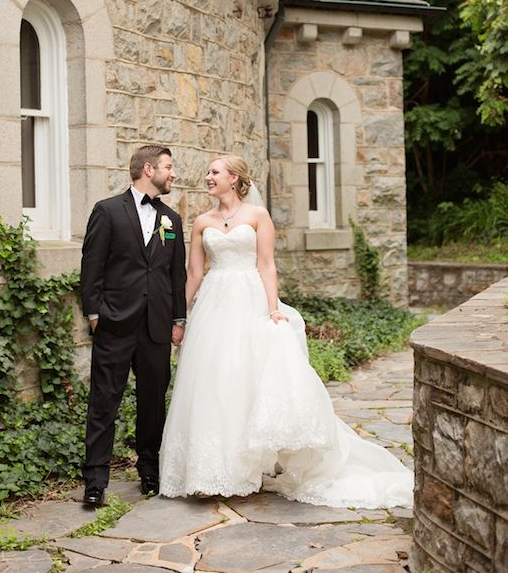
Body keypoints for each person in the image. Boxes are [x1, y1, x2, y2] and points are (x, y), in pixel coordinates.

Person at [159, 155, 413, 508]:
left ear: (234, 178)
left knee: (243, 380)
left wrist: (273, 309)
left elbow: (266, 264)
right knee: (211, 381)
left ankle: (246, 467)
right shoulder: (202, 221)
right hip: (213, 307)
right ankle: (208, 470)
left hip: (248, 301)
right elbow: (194, 274)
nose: (207, 177)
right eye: (208, 172)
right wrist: (179, 316)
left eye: (214, 172)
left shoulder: (258, 217)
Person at [81, 145, 186, 505]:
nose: (173, 173)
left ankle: (150, 470)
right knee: (103, 401)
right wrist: (94, 314)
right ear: (148, 169)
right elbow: (91, 266)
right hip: (115, 322)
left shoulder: (172, 218)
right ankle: (95, 480)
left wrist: (178, 318)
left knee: (153, 402)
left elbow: (176, 275)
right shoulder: (107, 211)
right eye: (168, 167)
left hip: (156, 326)